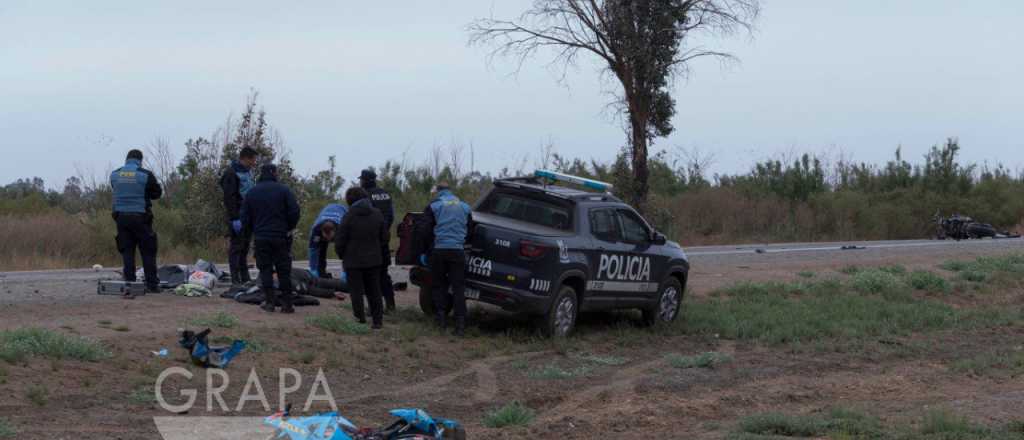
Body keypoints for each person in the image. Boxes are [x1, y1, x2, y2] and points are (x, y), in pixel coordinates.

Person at [240, 163, 301, 313]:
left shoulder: (252, 192)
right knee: (284, 270)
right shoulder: (284, 190)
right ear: (274, 173)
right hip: (281, 237)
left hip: (261, 237)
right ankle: (287, 304)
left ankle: (269, 302)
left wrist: (254, 231)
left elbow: (245, 217)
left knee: (265, 269)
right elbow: (294, 211)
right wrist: (288, 228)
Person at [417, 183, 472, 336]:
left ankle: (440, 320)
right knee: (458, 287)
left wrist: (426, 251)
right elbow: (470, 230)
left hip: (439, 250)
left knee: (439, 285)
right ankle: (460, 325)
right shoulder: (465, 207)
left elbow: (424, 230)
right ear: (451, 192)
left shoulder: (434, 206)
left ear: (439, 192)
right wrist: (460, 242)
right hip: (458, 251)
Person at [110, 149, 163, 297]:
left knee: (127, 251)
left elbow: (116, 190)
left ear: (126, 159)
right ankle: (152, 285)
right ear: (140, 160)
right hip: (141, 217)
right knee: (148, 251)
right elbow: (157, 194)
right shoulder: (145, 174)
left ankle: (130, 283)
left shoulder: (115, 174)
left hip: (121, 217)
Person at [335, 187, 388, 329]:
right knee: (374, 290)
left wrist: (342, 255)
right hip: (374, 259)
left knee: (356, 291)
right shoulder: (377, 214)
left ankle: (360, 319)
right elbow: (384, 237)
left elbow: (340, 239)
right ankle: (377, 321)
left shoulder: (348, 216)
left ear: (349, 200)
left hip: (353, 261)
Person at [359, 169, 396, 312]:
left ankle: (375, 308)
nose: (360, 182)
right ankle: (390, 305)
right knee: (383, 273)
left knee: (370, 275)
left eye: (361, 179)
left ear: (365, 181)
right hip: (383, 239)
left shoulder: (365, 196)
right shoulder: (385, 194)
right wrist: (385, 231)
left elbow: (364, 218)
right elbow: (391, 215)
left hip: (370, 241)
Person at [220, 147, 258, 287]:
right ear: (245, 158)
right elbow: (229, 198)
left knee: (244, 248)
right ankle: (235, 279)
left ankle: (245, 277)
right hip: (237, 217)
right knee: (236, 248)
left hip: (249, 216)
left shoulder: (247, 173)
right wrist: (234, 218)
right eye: (253, 159)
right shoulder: (231, 173)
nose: (254, 163)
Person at [308, 203, 348, 278]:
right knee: (320, 251)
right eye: (326, 237)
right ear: (321, 231)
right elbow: (313, 250)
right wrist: (313, 269)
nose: (328, 239)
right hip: (327, 210)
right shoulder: (316, 230)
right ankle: (321, 274)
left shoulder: (342, 228)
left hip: (342, 210)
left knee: (343, 250)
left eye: (330, 237)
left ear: (335, 231)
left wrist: (346, 270)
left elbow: (348, 251)